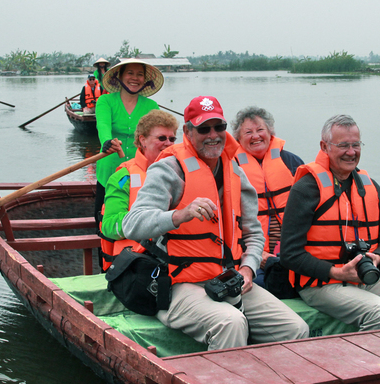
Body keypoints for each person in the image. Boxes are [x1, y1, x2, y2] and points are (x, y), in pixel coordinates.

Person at [123, 95, 309, 350]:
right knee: (231, 323)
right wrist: (179, 215)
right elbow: (131, 224)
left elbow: (254, 234)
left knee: (295, 328)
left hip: (226, 279)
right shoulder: (169, 170)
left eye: (218, 127)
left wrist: (248, 269)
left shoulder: (235, 170)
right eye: (203, 129)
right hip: (178, 284)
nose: (213, 135)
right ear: (188, 131)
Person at [279, 115, 380, 332]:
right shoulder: (306, 189)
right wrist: (337, 273)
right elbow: (289, 254)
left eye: (355, 145)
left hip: (366, 279)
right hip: (320, 284)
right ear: (325, 146)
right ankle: (370, 365)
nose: (351, 152)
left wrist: (378, 258)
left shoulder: (369, 187)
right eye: (343, 145)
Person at [231, 106, 303, 285]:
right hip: (250, 255)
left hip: (291, 251)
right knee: (259, 284)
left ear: (270, 133)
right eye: (248, 132)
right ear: (238, 139)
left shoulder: (292, 162)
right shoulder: (230, 168)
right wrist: (255, 254)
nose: (255, 136)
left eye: (260, 130)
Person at [100, 109, 178, 270]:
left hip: (176, 260)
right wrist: (151, 222)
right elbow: (108, 225)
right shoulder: (123, 177)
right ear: (142, 140)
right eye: (161, 138)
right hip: (136, 266)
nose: (168, 144)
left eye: (172, 139)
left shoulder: (181, 173)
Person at [94, 59, 164, 221]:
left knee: (137, 218)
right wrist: (108, 142)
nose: (135, 78)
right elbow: (103, 126)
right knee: (103, 219)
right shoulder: (105, 101)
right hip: (109, 168)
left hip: (139, 171)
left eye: (140, 75)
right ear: (120, 76)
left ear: (144, 80)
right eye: (130, 73)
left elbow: (159, 136)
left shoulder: (151, 106)